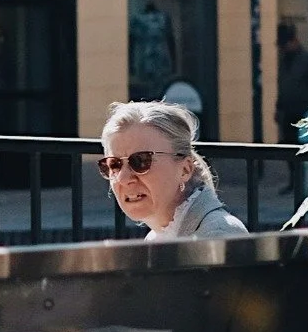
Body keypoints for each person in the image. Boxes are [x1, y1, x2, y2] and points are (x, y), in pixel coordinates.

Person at [99, 100, 247, 240]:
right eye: (114, 164)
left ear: (185, 169)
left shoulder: (219, 235)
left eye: (141, 161)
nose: (123, 178)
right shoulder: (156, 238)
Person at [276, 20, 308, 143]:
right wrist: (279, 107)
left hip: (305, 113)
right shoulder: (284, 62)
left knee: (304, 149)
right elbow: (283, 87)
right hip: (289, 114)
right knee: (290, 148)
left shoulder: (307, 60)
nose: (283, 49)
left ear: (294, 41)